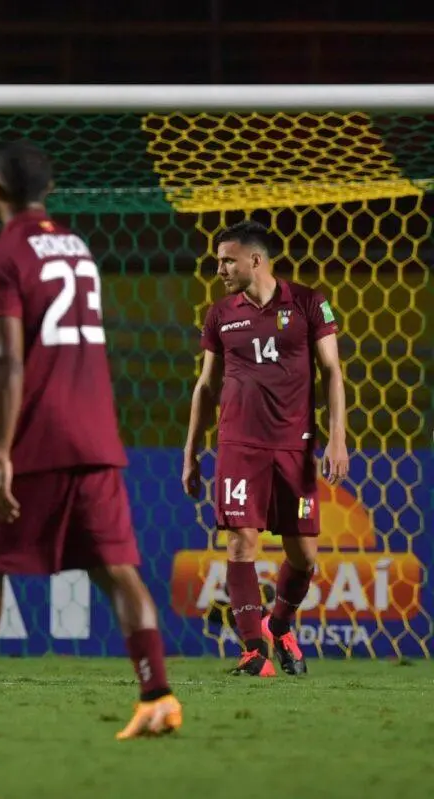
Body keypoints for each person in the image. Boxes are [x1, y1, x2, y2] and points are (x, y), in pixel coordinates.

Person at [0, 140, 180, 739]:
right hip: (94, 436)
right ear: (47, 192)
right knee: (118, 571)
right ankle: (157, 697)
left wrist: (2, 454)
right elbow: (58, 357)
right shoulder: (78, 249)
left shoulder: (1, 256)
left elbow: (9, 362)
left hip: (35, 445)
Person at [182, 219, 348, 677]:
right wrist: (190, 451)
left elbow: (332, 372)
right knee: (241, 544)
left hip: (294, 446)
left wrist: (338, 438)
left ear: (255, 260)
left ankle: (280, 623)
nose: (219, 269)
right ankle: (254, 651)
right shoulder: (220, 314)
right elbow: (205, 386)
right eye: (217, 261)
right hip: (238, 443)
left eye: (226, 260)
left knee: (304, 555)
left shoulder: (310, 303)